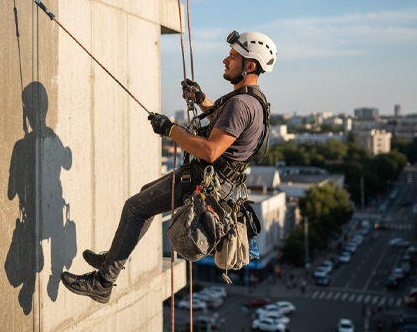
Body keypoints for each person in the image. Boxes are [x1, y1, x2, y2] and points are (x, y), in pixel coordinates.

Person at [60, 31, 277, 303]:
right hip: (215, 181)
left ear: (250, 65)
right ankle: (114, 256)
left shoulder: (241, 104)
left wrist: (170, 129)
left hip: (204, 179)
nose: (225, 60)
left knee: (135, 208)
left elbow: (210, 150)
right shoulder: (252, 100)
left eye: (233, 57)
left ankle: (103, 281)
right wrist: (201, 99)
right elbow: (223, 127)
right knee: (144, 197)